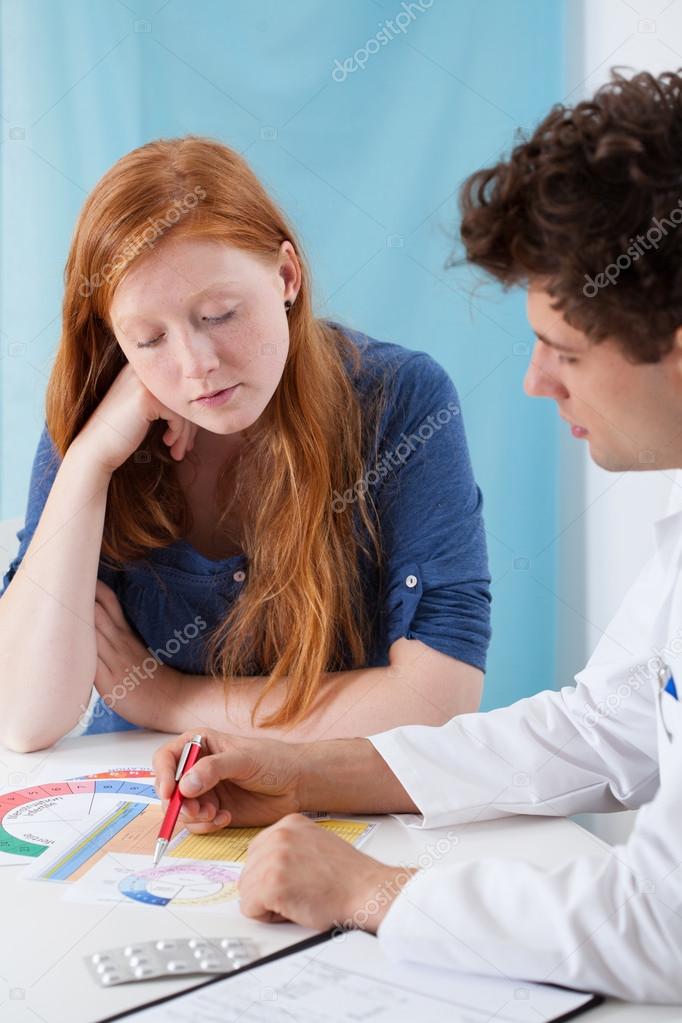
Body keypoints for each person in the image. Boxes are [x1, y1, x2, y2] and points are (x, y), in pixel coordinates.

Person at [153, 69, 682, 1004]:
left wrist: (371, 890)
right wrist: (300, 772)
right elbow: (605, 730)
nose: (536, 382)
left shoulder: (398, 395)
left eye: (563, 350)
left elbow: (660, 926)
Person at [0, 137, 491, 752]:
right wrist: (91, 460)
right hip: (147, 809)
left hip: (334, 813)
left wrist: (170, 699)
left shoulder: (401, 400)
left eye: (219, 315)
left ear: (286, 276)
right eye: (149, 339)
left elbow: (435, 703)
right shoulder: (98, 420)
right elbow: (22, 717)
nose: (195, 365)